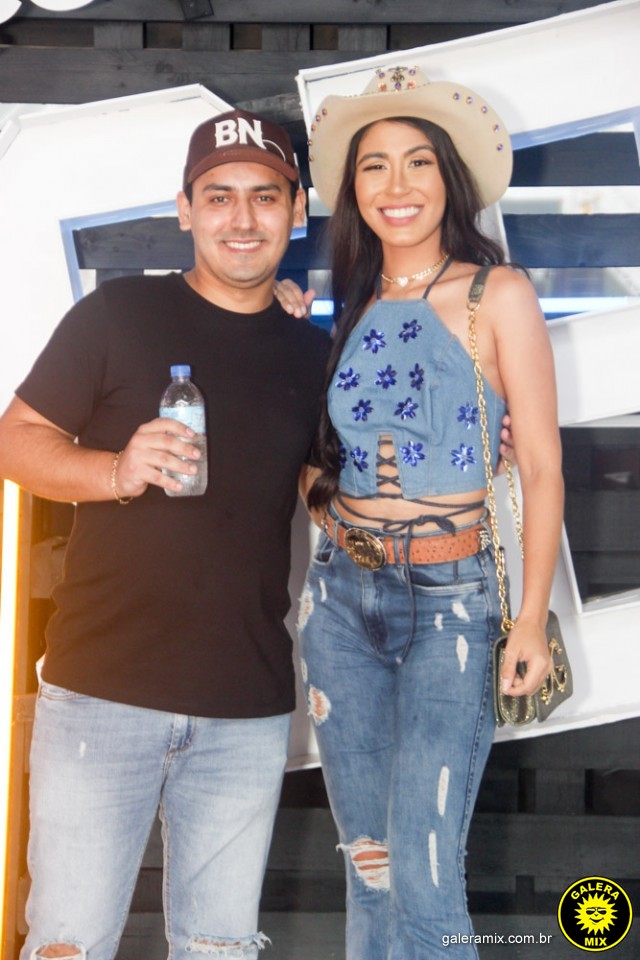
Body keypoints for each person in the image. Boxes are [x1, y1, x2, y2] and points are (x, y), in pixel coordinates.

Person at [0, 109, 331, 960]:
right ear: (184, 210)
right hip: (99, 696)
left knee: (220, 949)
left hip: (246, 706)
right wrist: (116, 469)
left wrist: (466, 450)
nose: (241, 218)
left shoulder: (312, 355)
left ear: (297, 210)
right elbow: (16, 441)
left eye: (265, 196)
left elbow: (327, 495)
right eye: (218, 196)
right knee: (68, 945)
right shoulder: (118, 315)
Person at [290, 66, 564, 959]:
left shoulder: (498, 294)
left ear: (450, 177)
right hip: (340, 601)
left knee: (425, 866)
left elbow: (543, 466)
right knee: (368, 863)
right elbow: (316, 460)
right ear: (353, 188)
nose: (396, 185)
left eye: (417, 162)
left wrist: (530, 618)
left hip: (452, 602)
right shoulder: (352, 303)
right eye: (374, 165)